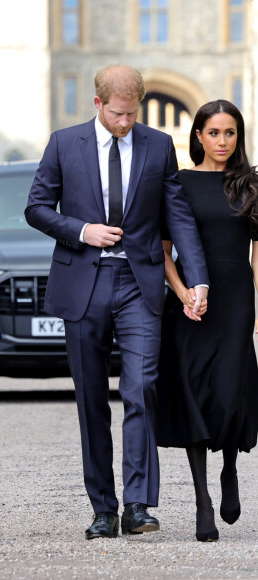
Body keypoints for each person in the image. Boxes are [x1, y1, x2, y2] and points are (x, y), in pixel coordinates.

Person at [25, 65, 209, 540]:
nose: (126, 122)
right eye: (118, 113)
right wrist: (83, 231)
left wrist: (197, 279)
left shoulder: (158, 145)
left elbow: (179, 217)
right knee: (91, 399)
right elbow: (37, 207)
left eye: (132, 113)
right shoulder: (64, 143)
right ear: (98, 104)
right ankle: (102, 509)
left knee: (142, 389)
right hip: (83, 280)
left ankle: (138, 506)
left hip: (139, 283)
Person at [156, 100, 258, 542]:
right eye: (214, 132)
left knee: (230, 393)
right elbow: (162, 253)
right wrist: (182, 295)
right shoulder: (177, 184)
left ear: (238, 137)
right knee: (194, 393)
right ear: (198, 135)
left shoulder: (250, 184)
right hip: (191, 304)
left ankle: (230, 467)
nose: (222, 141)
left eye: (230, 133)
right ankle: (201, 500)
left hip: (236, 301)